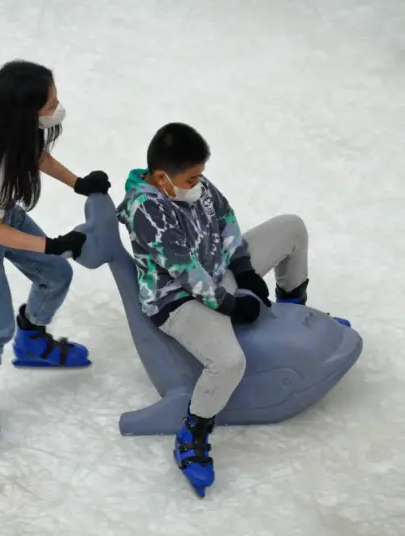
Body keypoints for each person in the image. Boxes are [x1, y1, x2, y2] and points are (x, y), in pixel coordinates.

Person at [116, 122, 349, 494]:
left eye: (200, 175)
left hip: (217, 269)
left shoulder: (193, 185)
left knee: (291, 227)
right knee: (227, 362)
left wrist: (242, 267)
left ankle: (289, 311)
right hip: (178, 298)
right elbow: (185, 271)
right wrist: (231, 305)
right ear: (162, 178)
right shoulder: (147, 210)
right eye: (192, 178)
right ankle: (193, 434)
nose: (200, 184)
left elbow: (225, 219)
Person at [0, 60, 111, 448]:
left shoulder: (21, 132)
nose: (57, 107)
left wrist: (78, 183)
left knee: (57, 275)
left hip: (0, 214)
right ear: (26, 111)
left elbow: (38, 156)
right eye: (50, 103)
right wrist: (51, 244)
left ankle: (31, 340)